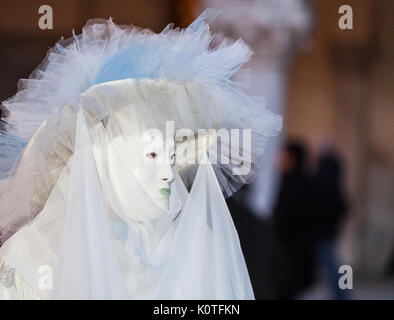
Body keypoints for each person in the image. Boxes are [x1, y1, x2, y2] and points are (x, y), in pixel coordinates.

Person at [0, 10, 281, 299]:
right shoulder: (29, 263)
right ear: (103, 157)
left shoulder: (180, 253)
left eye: (171, 159)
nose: (167, 174)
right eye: (151, 155)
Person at [273, 141, 317, 299]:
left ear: (291, 159)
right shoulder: (303, 182)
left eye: (283, 156)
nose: (279, 160)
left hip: (289, 253)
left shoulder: (291, 184)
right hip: (295, 252)